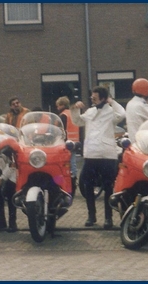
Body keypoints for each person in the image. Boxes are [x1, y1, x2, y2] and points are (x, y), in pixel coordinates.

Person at [70, 86, 126, 228]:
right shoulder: (90, 112)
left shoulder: (111, 112)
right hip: (91, 154)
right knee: (87, 184)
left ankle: (108, 219)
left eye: (94, 97)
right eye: (92, 98)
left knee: (108, 187)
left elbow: (122, 113)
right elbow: (77, 121)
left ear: (102, 97)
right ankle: (91, 216)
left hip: (107, 154)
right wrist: (75, 108)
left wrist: (111, 101)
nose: (92, 99)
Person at [56, 96, 81, 197]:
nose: (57, 108)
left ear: (61, 105)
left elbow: (60, 130)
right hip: (75, 141)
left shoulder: (63, 115)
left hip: (66, 143)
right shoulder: (71, 113)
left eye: (57, 106)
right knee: (73, 163)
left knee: (67, 164)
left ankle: (69, 183)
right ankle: (73, 180)